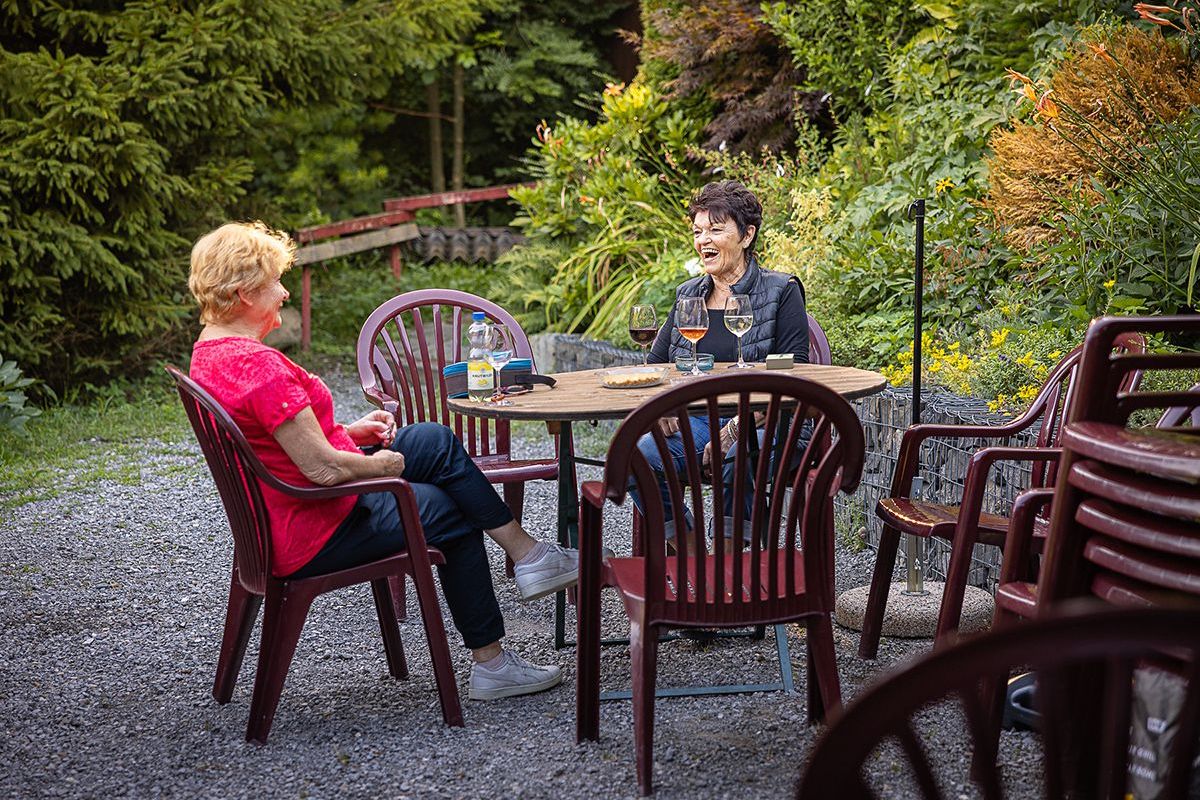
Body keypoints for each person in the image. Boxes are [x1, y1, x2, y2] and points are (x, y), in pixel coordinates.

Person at [187, 221, 577, 701]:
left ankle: (530, 556)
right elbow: (323, 470)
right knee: (452, 512)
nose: (285, 293)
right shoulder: (258, 367)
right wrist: (383, 467)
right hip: (317, 524)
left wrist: (346, 434)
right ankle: (493, 665)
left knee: (431, 440)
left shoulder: (210, 353)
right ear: (245, 293)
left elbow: (272, 439)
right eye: (275, 281)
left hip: (291, 510)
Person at [641, 180, 809, 548]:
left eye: (716, 230)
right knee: (638, 453)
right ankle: (694, 556)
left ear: (747, 235)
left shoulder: (781, 291)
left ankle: (729, 561)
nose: (704, 240)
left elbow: (792, 372)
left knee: (740, 454)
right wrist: (659, 407)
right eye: (698, 231)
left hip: (769, 424)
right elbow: (655, 365)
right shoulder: (689, 295)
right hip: (700, 421)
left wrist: (737, 427)